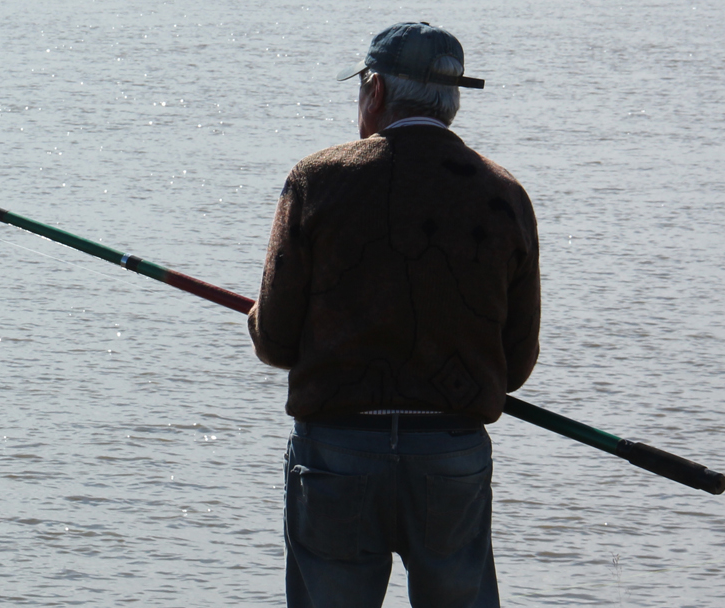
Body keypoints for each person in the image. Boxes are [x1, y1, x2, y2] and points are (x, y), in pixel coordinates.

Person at [247, 22, 541, 608]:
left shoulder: (317, 180)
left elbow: (276, 340)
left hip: (336, 453)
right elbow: (517, 361)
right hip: (450, 451)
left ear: (375, 90)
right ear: (452, 101)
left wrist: (261, 316)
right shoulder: (503, 193)